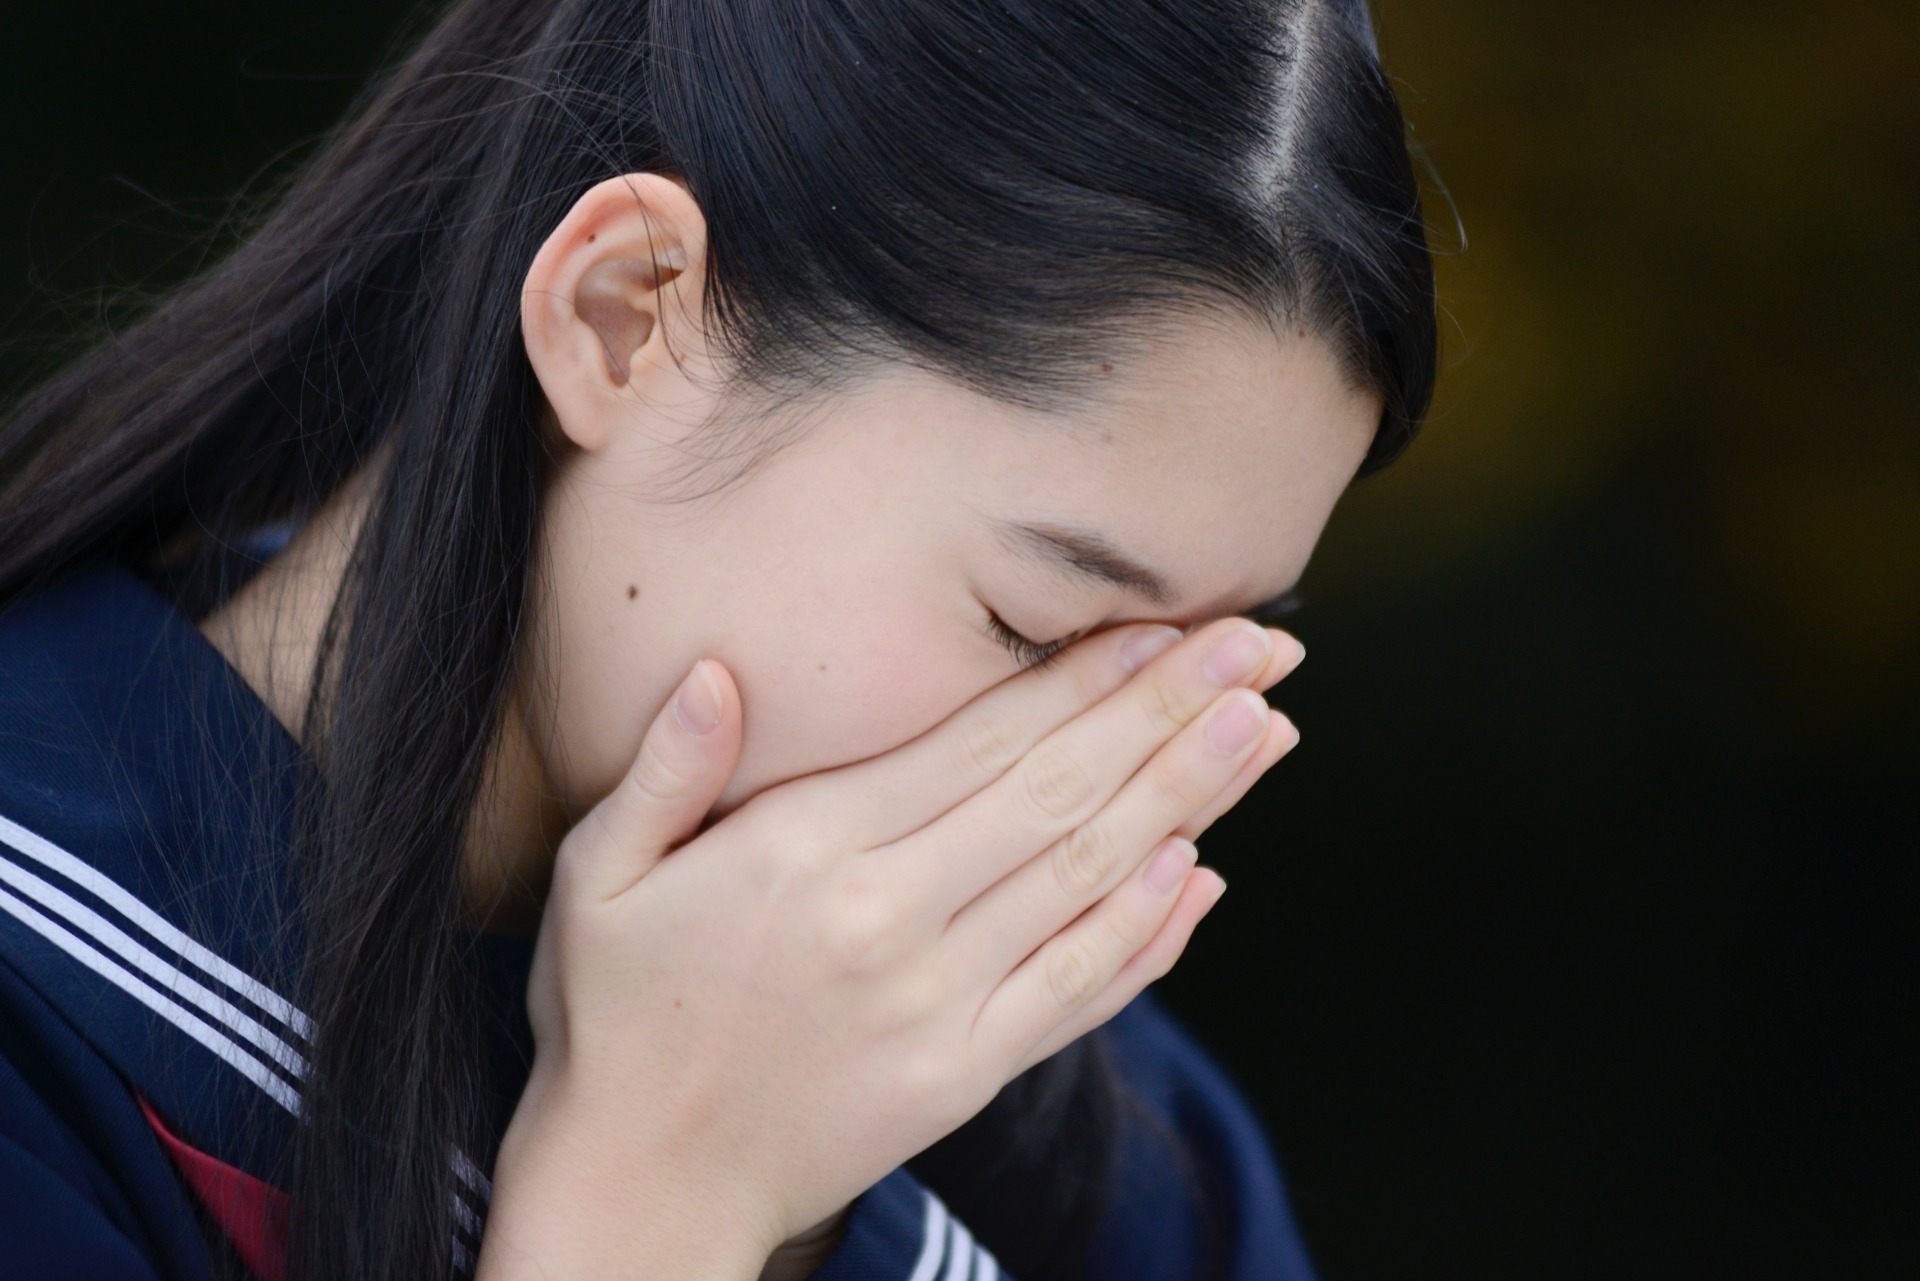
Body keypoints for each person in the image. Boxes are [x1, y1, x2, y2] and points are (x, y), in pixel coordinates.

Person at [0, 0, 1435, 1277]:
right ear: (625, 319)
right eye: (1039, 623)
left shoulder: (1123, 1155)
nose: (1105, 771)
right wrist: (661, 1199)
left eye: (1206, 672)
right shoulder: (51, 1013)